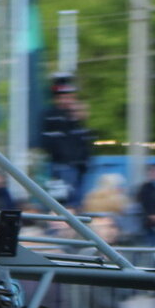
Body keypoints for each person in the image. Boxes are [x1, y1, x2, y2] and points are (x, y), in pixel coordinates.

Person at [39, 73, 92, 209]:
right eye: (65, 96)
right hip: (61, 166)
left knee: (76, 205)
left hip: (78, 168)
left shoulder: (75, 118)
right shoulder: (52, 116)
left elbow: (81, 141)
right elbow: (53, 142)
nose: (69, 100)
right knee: (62, 204)